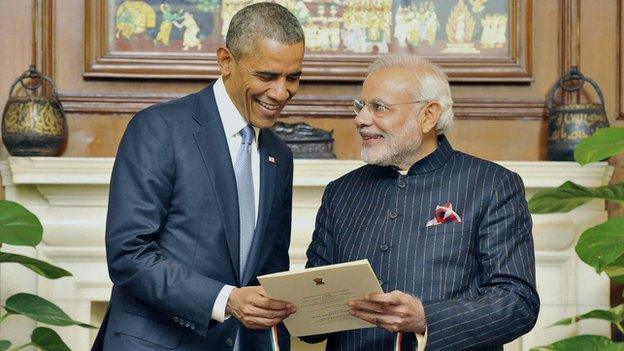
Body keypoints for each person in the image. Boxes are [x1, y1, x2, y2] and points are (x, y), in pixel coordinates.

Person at [92, 3, 305, 350]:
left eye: (292, 77)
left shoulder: (279, 156)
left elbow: (268, 273)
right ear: (225, 61)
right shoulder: (159, 129)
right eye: (267, 76)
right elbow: (128, 254)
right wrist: (226, 300)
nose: (281, 93)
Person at [303, 55, 539, 351]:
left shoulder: (491, 185)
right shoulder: (340, 192)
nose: (361, 119)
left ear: (428, 115)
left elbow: (517, 303)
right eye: (361, 106)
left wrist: (426, 318)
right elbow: (311, 321)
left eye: (379, 107)